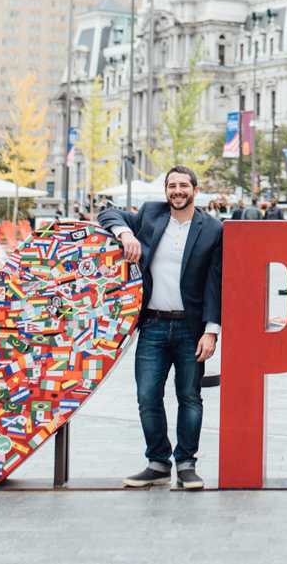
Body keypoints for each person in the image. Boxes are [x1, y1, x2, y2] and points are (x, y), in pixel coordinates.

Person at [98, 166, 223, 492]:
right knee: (147, 396)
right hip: (152, 324)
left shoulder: (212, 229)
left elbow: (215, 283)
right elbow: (108, 213)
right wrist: (126, 234)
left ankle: (186, 464)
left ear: (195, 189)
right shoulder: (151, 214)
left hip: (191, 329)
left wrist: (212, 330)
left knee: (190, 397)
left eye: (183, 186)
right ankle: (157, 463)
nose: (177, 191)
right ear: (165, 190)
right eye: (172, 186)